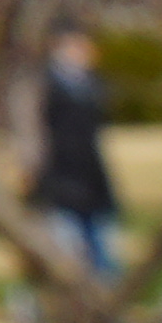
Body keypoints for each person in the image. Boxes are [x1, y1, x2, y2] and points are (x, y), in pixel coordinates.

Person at [31, 28, 125, 283]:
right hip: (59, 181)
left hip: (93, 182)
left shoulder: (92, 85)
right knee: (63, 260)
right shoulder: (44, 87)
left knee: (105, 258)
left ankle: (104, 310)